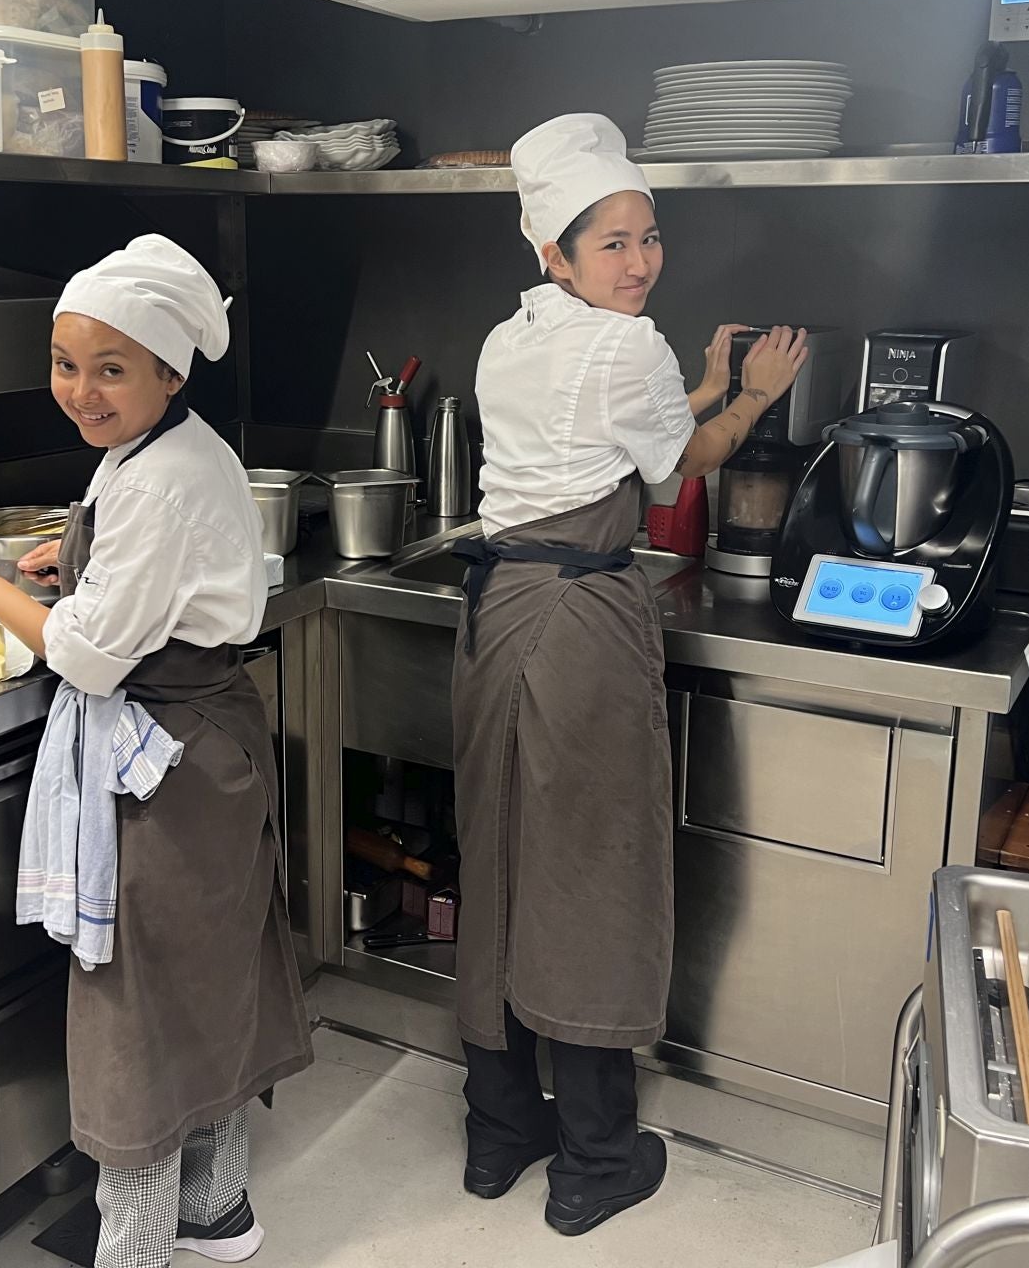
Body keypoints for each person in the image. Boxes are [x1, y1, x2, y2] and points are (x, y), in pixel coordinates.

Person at [452, 113, 808, 1235]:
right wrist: (752, 391)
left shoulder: (516, 334)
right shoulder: (627, 346)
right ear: (555, 251)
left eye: (648, 237)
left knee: (501, 865)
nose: (641, 261)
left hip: (499, 612)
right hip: (580, 619)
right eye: (612, 242)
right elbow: (673, 473)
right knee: (591, 879)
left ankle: (501, 1131)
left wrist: (697, 377)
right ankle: (599, 1159)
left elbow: (618, 430)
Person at [0, 235, 312, 1268]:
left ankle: (132, 1251)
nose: (82, 391)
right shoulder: (166, 449)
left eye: (111, 369)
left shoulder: (160, 478)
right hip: (208, 748)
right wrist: (74, 551)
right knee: (214, 983)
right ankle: (219, 1207)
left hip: (169, 762)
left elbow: (91, 658)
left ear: (169, 373)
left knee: (137, 1015)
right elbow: (158, 560)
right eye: (66, 362)